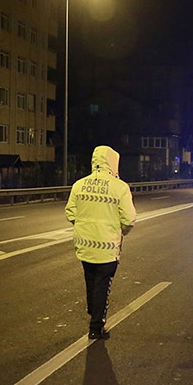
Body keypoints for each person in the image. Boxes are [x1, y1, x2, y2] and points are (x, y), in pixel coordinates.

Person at [65, 145, 137, 340]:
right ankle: (96, 326)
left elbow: (70, 211)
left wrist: (82, 225)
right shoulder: (119, 187)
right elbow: (129, 219)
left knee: (90, 281)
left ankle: (93, 311)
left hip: (84, 245)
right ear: (114, 163)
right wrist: (122, 231)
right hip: (107, 246)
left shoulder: (79, 185)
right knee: (102, 286)